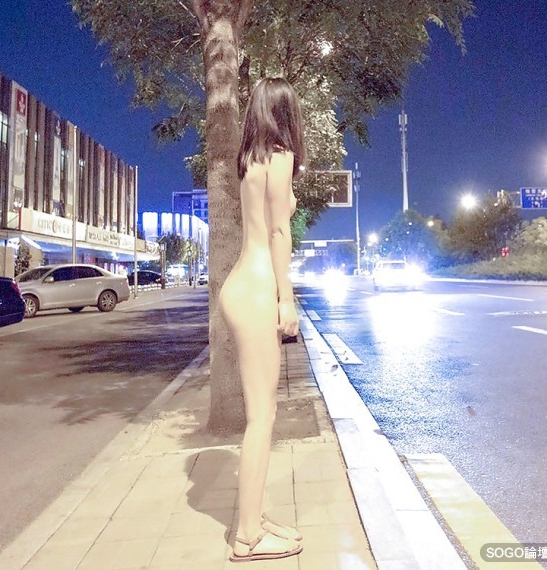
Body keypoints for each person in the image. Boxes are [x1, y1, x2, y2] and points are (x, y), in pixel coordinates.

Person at [218, 77, 306, 563]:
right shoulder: (280, 156)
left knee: (262, 414)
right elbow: (277, 232)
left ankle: (255, 516)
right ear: (286, 113)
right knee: (262, 417)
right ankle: (248, 537)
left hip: (240, 284)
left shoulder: (250, 160)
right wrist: (285, 298)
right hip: (256, 290)